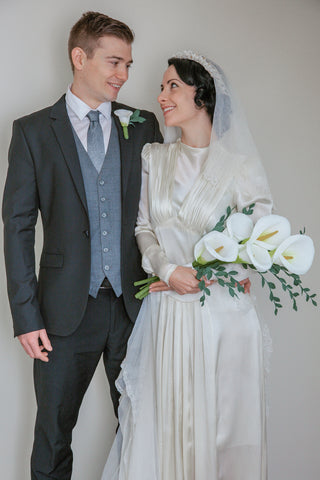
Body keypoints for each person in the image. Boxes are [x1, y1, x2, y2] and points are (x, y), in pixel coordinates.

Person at [2, 11, 162, 480]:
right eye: (115, 62)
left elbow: (161, 211)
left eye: (129, 65)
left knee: (142, 427)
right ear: (79, 57)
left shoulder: (142, 125)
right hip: (62, 313)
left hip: (135, 306)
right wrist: (26, 316)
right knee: (53, 435)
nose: (124, 75)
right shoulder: (32, 131)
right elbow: (17, 227)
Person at [102, 51, 273, 479]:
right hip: (166, 315)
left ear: (203, 95)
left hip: (221, 320)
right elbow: (143, 227)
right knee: (163, 423)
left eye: (172, 86)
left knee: (219, 428)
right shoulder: (153, 157)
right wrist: (166, 270)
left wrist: (224, 274)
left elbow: (260, 241)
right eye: (161, 87)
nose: (161, 96)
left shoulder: (240, 169)